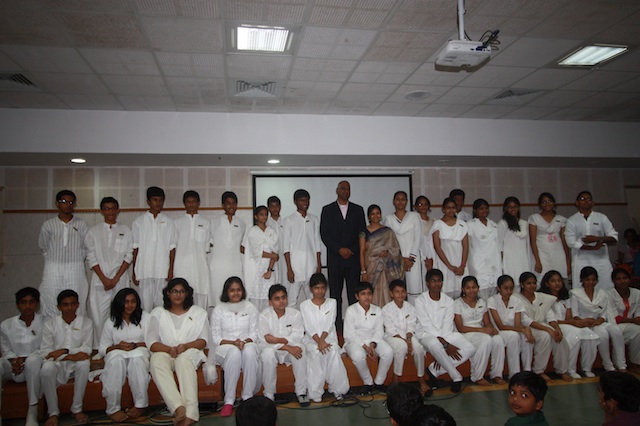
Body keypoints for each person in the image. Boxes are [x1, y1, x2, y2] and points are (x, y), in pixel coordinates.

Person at [147, 278, 208, 426]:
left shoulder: (199, 312)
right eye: (174, 291)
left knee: (183, 360)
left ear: (187, 294)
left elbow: (204, 340)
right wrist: (168, 349)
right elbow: (152, 343)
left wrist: (186, 346)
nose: (178, 295)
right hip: (166, 351)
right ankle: (178, 408)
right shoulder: (158, 313)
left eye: (181, 291)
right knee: (156, 361)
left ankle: (191, 413)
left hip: (190, 351)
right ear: (168, 293)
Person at [415, 269, 476, 393]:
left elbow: (448, 324)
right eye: (433, 281)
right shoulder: (420, 300)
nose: (436, 284)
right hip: (426, 335)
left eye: (439, 281)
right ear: (427, 283)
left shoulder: (448, 301)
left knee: (470, 348)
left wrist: (444, 342)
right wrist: (444, 344)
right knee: (434, 344)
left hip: (447, 333)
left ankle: (435, 370)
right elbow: (426, 324)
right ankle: (456, 376)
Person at [85, 196, 132, 354]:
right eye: (106, 208)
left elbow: (128, 255)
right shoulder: (93, 232)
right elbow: (91, 257)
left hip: (120, 280)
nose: (110, 211)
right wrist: (104, 279)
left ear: (118, 210)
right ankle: (100, 350)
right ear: (101, 211)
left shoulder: (126, 230)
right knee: (99, 317)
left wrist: (116, 278)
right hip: (100, 281)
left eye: (113, 208)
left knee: (122, 313)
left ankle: (120, 346)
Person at [40, 289, 93, 426]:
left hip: (75, 363)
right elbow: (47, 352)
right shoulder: (50, 324)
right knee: (46, 368)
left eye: (72, 304)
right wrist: (70, 356)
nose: (69, 308)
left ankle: (76, 409)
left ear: (78, 305)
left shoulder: (86, 323)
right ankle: (53, 413)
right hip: (58, 364)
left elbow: (86, 350)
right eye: (65, 305)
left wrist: (64, 351)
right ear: (59, 307)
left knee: (84, 364)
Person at [209, 277, 260, 417]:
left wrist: (244, 342)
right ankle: (229, 401)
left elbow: (254, 333)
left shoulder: (250, 307)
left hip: (247, 343)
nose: (236, 293)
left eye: (238, 290)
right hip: (224, 347)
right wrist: (234, 343)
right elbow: (216, 338)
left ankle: (247, 397)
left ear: (242, 291)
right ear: (226, 292)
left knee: (249, 351)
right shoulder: (219, 309)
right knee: (234, 353)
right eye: (232, 290)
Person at [320, 181, 366, 330]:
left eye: (348, 189)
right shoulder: (327, 210)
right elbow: (324, 234)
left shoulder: (358, 210)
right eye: (343, 188)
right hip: (335, 259)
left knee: (354, 295)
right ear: (337, 190)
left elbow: (362, 233)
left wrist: (351, 249)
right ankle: (337, 325)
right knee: (335, 295)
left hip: (353, 260)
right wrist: (339, 249)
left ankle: (354, 325)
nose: (346, 191)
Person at [98, 288, 149, 422]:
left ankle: (140, 405)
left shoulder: (145, 317)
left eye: (133, 301)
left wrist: (135, 345)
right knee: (116, 361)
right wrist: (117, 346)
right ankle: (112, 408)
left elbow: (153, 342)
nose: (130, 305)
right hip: (118, 353)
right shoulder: (111, 321)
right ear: (119, 303)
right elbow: (102, 349)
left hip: (139, 351)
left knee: (137, 360)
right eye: (126, 302)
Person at [538, 270, 598, 379]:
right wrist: (573, 323)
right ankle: (570, 369)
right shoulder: (543, 298)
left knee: (590, 334)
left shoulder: (566, 298)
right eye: (553, 281)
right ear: (547, 284)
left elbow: (569, 317)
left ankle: (587, 368)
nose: (557, 283)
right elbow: (549, 320)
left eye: (559, 281)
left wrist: (577, 322)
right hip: (552, 325)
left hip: (566, 324)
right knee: (576, 334)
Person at [38, 189, 89, 317]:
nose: (68, 205)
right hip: (53, 267)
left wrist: (75, 261)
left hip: (76, 267)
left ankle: (77, 333)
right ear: (57, 203)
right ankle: (53, 333)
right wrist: (54, 261)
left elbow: (86, 247)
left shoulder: (82, 224)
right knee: (51, 298)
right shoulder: (48, 225)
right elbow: (43, 247)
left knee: (78, 299)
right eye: (64, 201)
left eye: (71, 202)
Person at [299, 273, 349, 402]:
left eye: (322, 288)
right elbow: (309, 326)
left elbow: (330, 323)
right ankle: (315, 393)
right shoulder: (304, 305)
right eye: (316, 288)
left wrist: (322, 341)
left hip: (329, 338)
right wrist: (319, 342)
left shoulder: (332, 302)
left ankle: (338, 390)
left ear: (325, 288)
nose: (319, 291)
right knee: (316, 353)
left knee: (332, 352)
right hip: (311, 340)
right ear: (311, 289)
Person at [258, 284, 309, 406]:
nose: (281, 301)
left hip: (289, 348)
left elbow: (297, 335)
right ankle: (269, 394)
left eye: (283, 297)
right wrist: (285, 346)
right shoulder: (264, 316)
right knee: (268, 354)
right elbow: (264, 340)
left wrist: (277, 339)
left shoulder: (295, 314)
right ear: (270, 302)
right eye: (277, 298)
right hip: (273, 349)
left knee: (301, 349)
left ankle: (301, 392)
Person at [0, 288, 44, 426]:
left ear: (37, 304)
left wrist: (25, 359)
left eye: (31, 302)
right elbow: (6, 350)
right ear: (17, 305)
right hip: (13, 366)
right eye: (23, 302)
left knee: (33, 360)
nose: (28, 306)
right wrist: (13, 361)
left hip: (35, 366)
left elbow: (46, 349)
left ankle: (32, 413)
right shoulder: (6, 325)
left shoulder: (46, 322)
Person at [570, 267, 625, 373]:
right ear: (582, 280)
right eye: (587, 280)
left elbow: (603, 314)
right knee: (603, 334)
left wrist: (598, 321)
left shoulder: (602, 294)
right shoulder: (575, 293)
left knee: (616, 330)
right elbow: (575, 314)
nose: (591, 282)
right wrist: (585, 321)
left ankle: (622, 365)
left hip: (598, 322)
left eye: (593, 280)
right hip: (583, 323)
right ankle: (608, 366)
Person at [132, 186, 177, 311]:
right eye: (154, 200)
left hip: (162, 270)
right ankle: (145, 330)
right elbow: (135, 248)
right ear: (148, 201)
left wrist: (171, 270)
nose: (158, 203)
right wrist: (134, 270)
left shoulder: (169, 222)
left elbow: (172, 248)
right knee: (144, 306)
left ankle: (160, 331)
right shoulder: (139, 222)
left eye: (160, 200)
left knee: (161, 305)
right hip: (144, 270)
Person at [454, 276, 505, 385]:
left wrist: (492, 328)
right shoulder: (457, 303)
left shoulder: (482, 301)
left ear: (478, 288)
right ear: (463, 289)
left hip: (480, 331)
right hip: (466, 333)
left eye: (474, 287)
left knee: (498, 339)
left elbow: (487, 323)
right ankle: (477, 376)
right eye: (468, 288)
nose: (471, 290)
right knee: (485, 339)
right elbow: (460, 327)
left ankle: (496, 374)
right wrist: (481, 330)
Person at [343, 282, 393, 394]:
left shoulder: (377, 310)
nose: (367, 297)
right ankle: (368, 383)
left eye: (369, 294)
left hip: (374, 341)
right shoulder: (351, 310)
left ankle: (379, 382)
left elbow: (379, 331)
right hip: (354, 342)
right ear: (357, 296)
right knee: (358, 355)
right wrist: (365, 347)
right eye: (363, 294)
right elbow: (350, 334)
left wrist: (372, 345)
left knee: (388, 352)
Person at [382, 279, 430, 395]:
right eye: (397, 292)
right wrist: (405, 341)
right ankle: (396, 380)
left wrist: (408, 339)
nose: (400, 294)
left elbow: (411, 325)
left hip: (408, 335)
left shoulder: (410, 307)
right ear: (391, 294)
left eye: (403, 291)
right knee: (402, 347)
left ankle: (421, 379)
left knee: (418, 348)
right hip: (392, 336)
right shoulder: (386, 309)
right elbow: (390, 329)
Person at [565, 191, 618, 290]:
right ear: (576, 203)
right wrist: (592, 248)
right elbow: (570, 242)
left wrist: (598, 239)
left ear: (593, 203)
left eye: (589, 199)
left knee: (606, 286)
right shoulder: (572, 220)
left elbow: (614, 238)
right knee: (580, 288)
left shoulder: (601, 217)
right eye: (582, 199)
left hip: (601, 259)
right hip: (581, 259)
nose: (586, 201)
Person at [514, 272, 560, 383]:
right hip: (524, 327)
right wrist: (548, 329)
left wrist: (557, 328)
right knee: (544, 334)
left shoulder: (542, 297)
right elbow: (526, 320)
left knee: (549, 336)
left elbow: (550, 316)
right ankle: (529, 371)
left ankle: (539, 370)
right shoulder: (516, 298)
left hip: (540, 326)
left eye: (534, 283)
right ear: (522, 284)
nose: (532, 286)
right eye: (528, 283)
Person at [488, 275, 534, 379]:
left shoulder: (516, 301)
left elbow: (517, 324)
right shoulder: (492, 300)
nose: (509, 291)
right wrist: (523, 329)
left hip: (513, 330)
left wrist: (525, 330)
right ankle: (514, 374)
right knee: (515, 336)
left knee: (527, 337)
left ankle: (527, 371)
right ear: (498, 288)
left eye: (511, 288)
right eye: (505, 288)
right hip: (498, 331)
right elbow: (500, 326)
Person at [282, 189, 321, 308]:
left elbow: (317, 243)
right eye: (301, 200)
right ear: (295, 202)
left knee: (313, 299)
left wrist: (318, 265)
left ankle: (313, 326)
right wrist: (289, 269)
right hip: (295, 266)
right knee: (292, 301)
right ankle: (289, 326)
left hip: (311, 265)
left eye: (307, 200)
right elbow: (286, 247)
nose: (305, 202)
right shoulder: (289, 220)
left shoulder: (314, 219)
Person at [359, 204, 404, 307]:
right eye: (373, 214)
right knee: (371, 292)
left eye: (378, 213)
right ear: (369, 217)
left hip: (385, 267)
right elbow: (362, 252)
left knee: (385, 290)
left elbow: (395, 249)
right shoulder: (363, 232)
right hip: (370, 266)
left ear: (381, 215)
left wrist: (388, 253)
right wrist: (363, 271)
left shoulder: (387, 231)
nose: (376, 216)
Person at [174, 190, 211, 308]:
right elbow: (173, 247)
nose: (191, 205)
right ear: (184, 204)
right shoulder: (176, 223)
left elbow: (206, 247)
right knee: (182, 296)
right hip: (181, 267)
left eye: (194, 202)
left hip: (200, 267)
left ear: (198, 203)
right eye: (188, 202)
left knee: (200, 296)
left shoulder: (206, 222)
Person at [385, 191, 424, 303]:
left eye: (403, 199)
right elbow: (389, 241)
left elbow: (418, 238)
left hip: (413, 260)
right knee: (397, 290)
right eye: (398, 199)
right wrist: (401, 259)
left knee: (414, 291)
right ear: (393, 201)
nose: (400, 202)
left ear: (407, 201)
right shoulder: (388, 219)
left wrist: (410, 259)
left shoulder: (415, 216)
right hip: (396, 260)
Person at [209, 191, 246, 307]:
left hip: (235, 265)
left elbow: (242, 246)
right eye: (228, 203)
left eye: (234, 203)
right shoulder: (213, 222)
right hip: (218, 267)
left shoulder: (242, 223)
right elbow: (209, 244)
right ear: (223, 205)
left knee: (235, 297)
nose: (231, 206)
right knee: (218, 296)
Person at [430, 197, 469, 299]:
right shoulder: (437, 224)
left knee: (462, 292)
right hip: (444, 263)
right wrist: (449, 266)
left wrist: (463, 265)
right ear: (443, 209)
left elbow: (465, 246)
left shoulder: (462, 224)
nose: (451, 210)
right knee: (446, 293)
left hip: (460, 262)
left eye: (453, 208)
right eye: (448, 208)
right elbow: (437, 246)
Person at [528, 192, 571, 281]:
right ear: (540, 205)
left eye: (549, 201)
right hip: (542, 254)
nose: (547, 204)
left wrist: (568, 262)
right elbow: (532, 241)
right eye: (544, 202)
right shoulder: (534, 218)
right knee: (542, 280)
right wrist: (537, 261)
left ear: (554, 203)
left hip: (558, 253)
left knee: (558, 281)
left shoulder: (561, 219)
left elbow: (564, 241)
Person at [244, 206, 279, 311]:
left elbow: (275, 250)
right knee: (255, 300)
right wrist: (272, 256)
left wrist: (269, 270)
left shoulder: (271, 231)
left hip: (270, 269)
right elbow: (256, 252)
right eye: (261, 214)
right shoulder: (252, 231)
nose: (264, 217)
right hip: (256, 269)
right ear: (256, 216)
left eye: (265, 214)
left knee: (269, 298)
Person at [607, 268, 640, 374]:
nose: (622, 281)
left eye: (625, 278)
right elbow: (614, 317)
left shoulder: (637, 293)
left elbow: (639, 313)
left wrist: (637, 320)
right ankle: (620, 366)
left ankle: (635, 363)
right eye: (618, 279)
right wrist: (632, 320)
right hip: (613, 325)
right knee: (619, 332)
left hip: (630, 325)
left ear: (629, 279)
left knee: (638, 331)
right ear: (613, 281)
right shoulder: (609, 294)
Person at [466, 198, 501, 300]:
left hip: (494, 265)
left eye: (486, 208)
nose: (484, 211)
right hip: (479, 265)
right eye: (481, 209)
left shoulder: (494, 224)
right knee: (481, 298)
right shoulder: (470, 225)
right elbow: (467, 246)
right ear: (475, 210)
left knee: (494, 299)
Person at [498, 197, 532, 289]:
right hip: (509, 259)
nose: (513, 209)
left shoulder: (524, 223)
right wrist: (501, 263)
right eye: (510, 207)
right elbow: (499, 245)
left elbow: (528, 244)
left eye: (515, 206)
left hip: (523, 258)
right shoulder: (503, 223)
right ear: (505, 208)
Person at [267, 195, 286, 285]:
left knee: (285, 285)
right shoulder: (265, 224)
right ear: (268, 208)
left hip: (285, 259)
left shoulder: (286, 222)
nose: (275, 208)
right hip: (270, 260)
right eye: (272, 206)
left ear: (280, 207)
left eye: (277, 206)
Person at [414, 195, 435, 275]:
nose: (423, 207)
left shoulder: (434, 222)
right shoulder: (413, 222)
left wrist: (431, 258)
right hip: (419, 256)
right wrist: (424, 257)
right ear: (415, 207)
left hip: (432, 256)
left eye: (425, 204)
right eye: (420, 204)